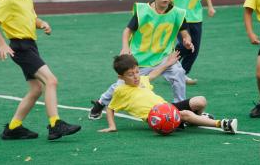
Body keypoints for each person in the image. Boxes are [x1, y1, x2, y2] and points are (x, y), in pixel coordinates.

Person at [0, 0, 81, 140]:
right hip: (20, 47)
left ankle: (13, 127)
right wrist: (2, 44)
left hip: (30, 46)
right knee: (51, 81)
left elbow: (31, 17)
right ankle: (55, 124)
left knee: (37, 88)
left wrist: (41, 23)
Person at [89, 0, 194, 120]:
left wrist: (187, 40)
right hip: (139, 59)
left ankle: (180, 107)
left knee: (178, 73)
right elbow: (127, 31)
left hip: (164, 57)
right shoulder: (143, 12)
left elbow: (185, 32)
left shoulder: (177, 13)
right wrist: (125, 47)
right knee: (122, 86)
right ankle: (101, 102)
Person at [98, 53, 237, 134]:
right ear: (121, 77)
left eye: (136, 72)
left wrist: (168, 63)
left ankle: (195, 120)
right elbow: (110, 107)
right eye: (130, 74)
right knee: (185, 114)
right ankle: (222, 124)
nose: (135, 76)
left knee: (201, 101)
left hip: (167, 107)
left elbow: (154, 73)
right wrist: (112, 126)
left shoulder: (142, 80)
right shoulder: (120, 91)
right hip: (157, 118)